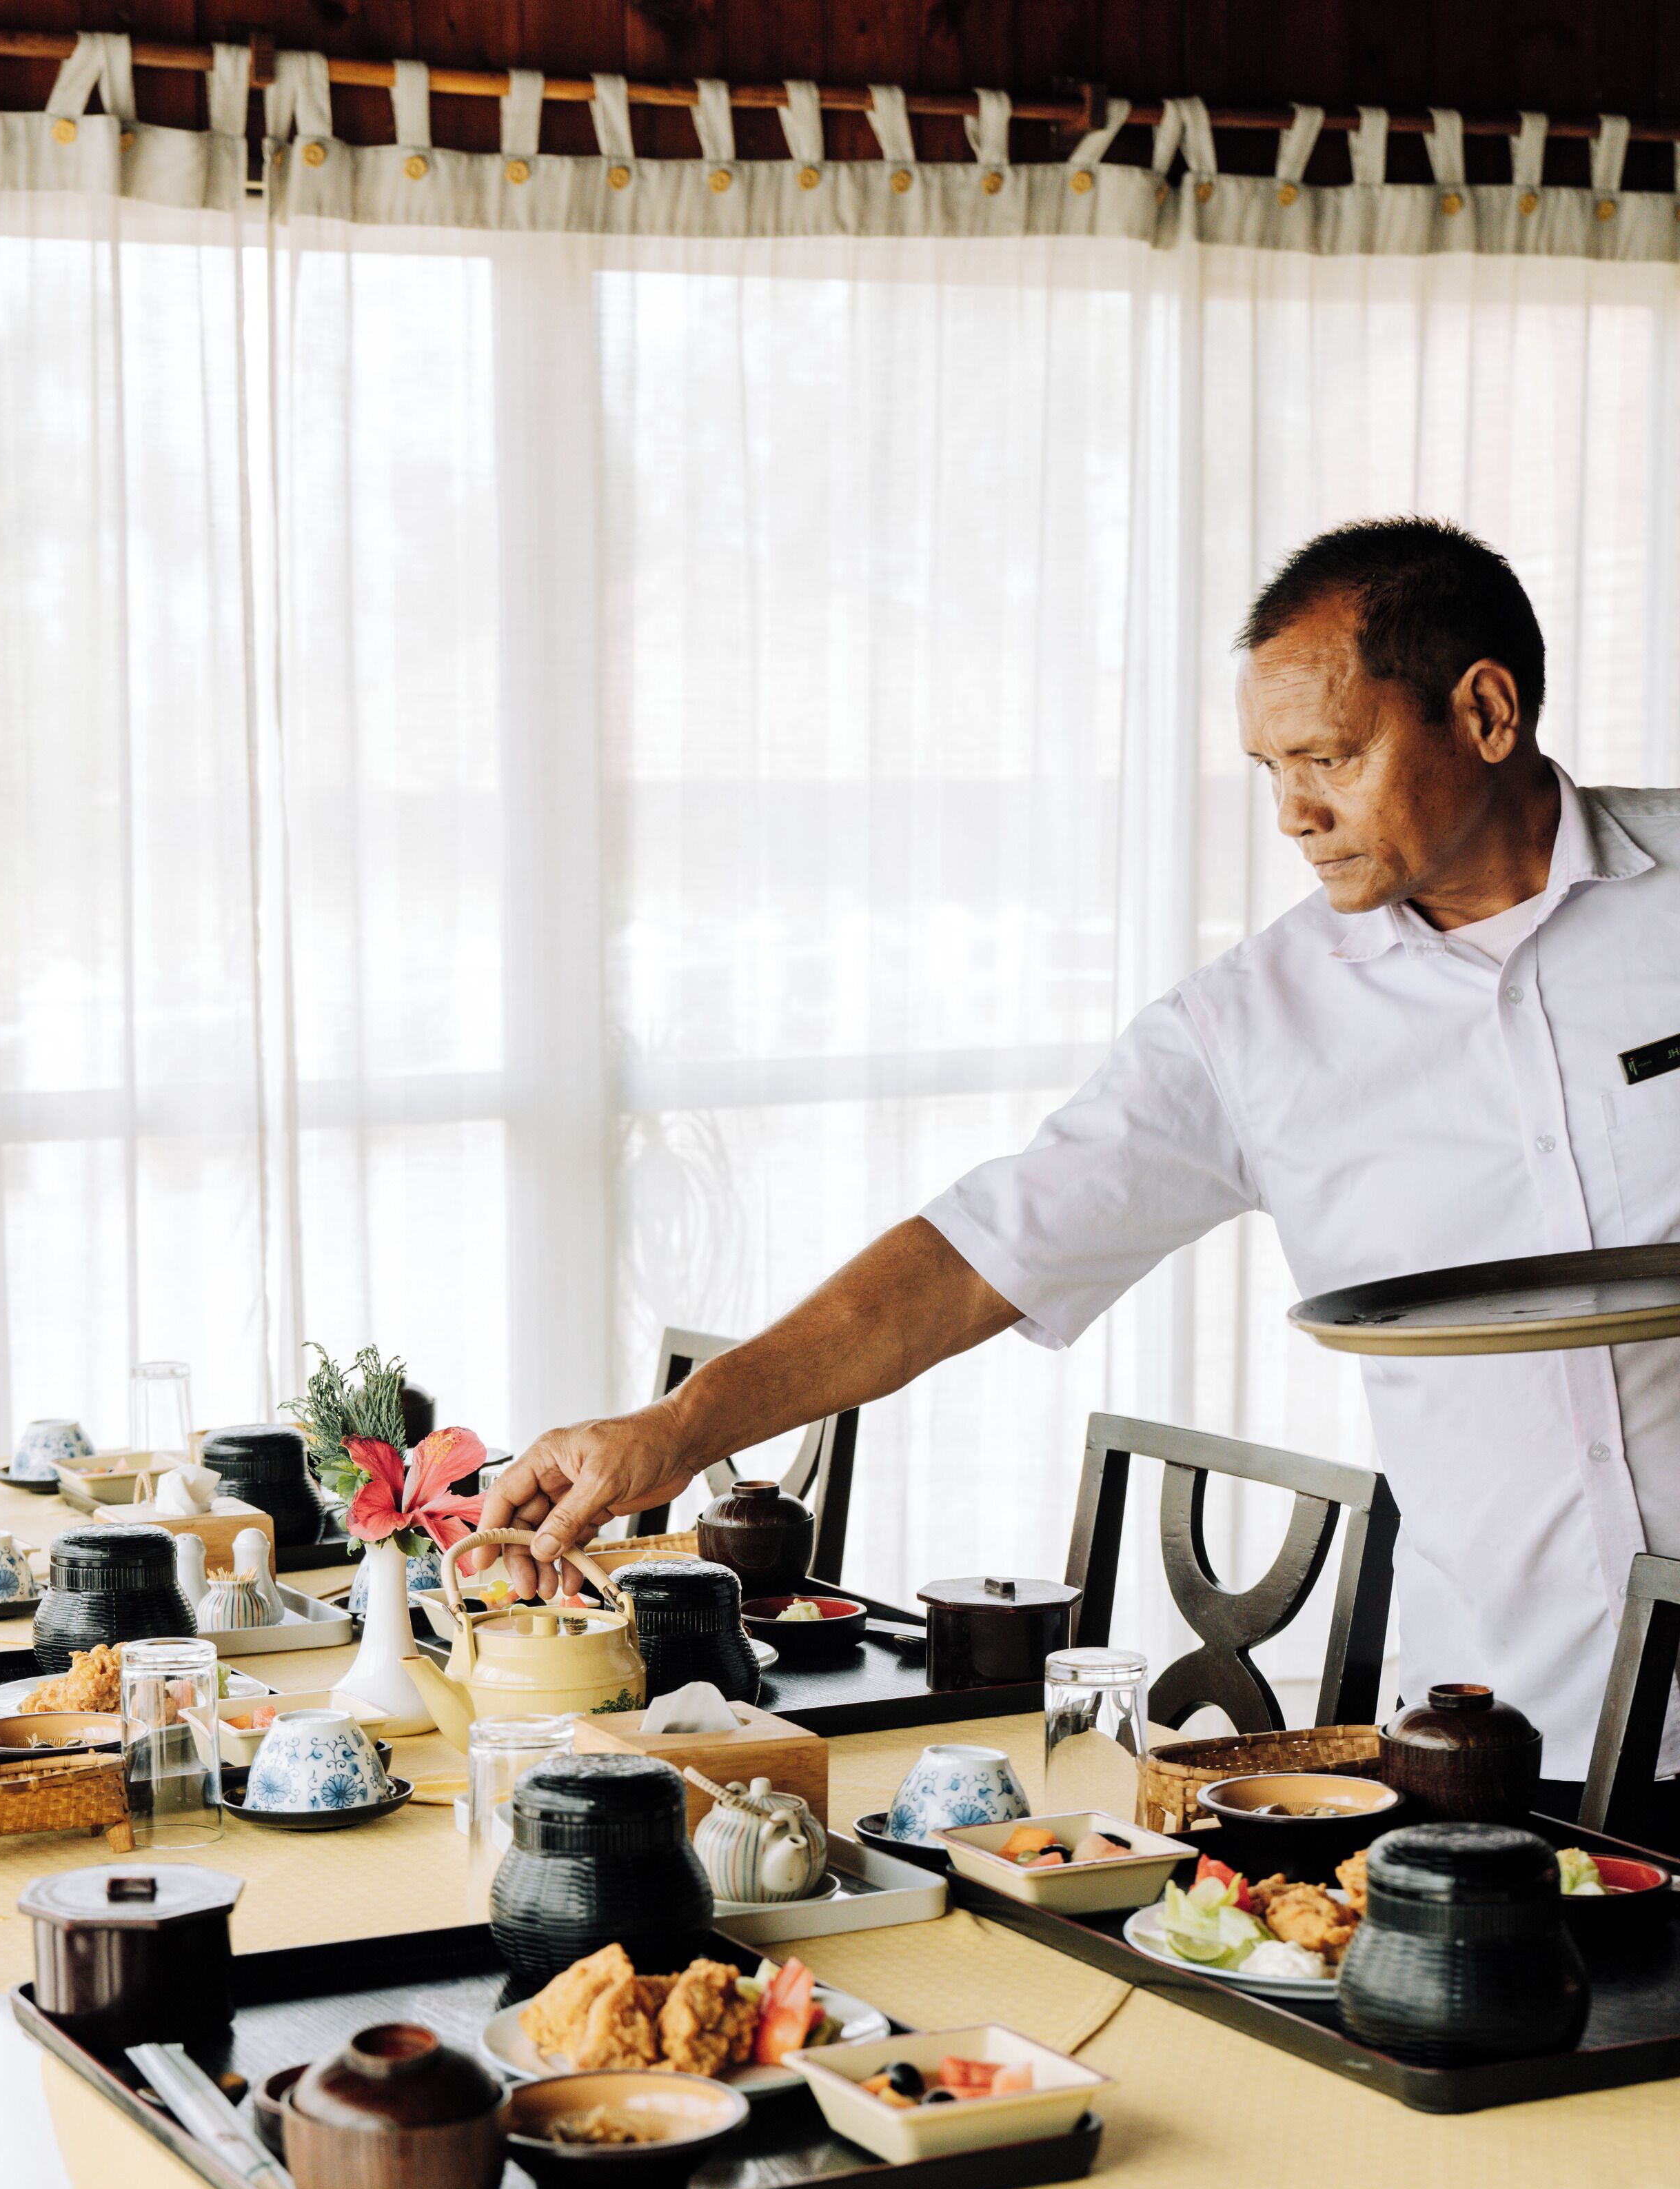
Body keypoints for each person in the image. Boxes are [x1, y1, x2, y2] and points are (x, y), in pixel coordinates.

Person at [478, 516, 1680, 1772]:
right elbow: (973, 1256)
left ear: (1487, 712)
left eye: (1330, 756)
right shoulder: (1253, 1028)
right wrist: (676, 1430)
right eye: (1270, 769)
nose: (1294, 816)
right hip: (1488, 1739)